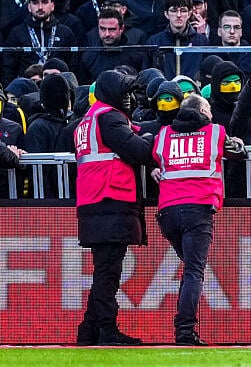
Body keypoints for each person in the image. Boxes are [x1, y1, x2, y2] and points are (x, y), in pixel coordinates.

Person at [151, 93, 246, 345]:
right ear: (203, 111)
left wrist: (153, 169)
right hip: (198, 209)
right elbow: (239, 152)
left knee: (190, 269)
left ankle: (184, 328)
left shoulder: (163, 135)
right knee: (194, 271)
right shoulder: (215, 132)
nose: (212, 114)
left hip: (168, 212)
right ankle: (184, 331)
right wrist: (237, 142)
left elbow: (153, 156)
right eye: (209, 110)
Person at [74, 70, 154, 346]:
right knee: (108, 273)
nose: (130, 98)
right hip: (110, 200)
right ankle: (106, 330)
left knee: (103, 271)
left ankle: (89, 329)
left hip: (93, 201)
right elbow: (139, 151)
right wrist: (152, 138)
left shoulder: (89, 119)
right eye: (126, 92)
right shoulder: (109, 117)